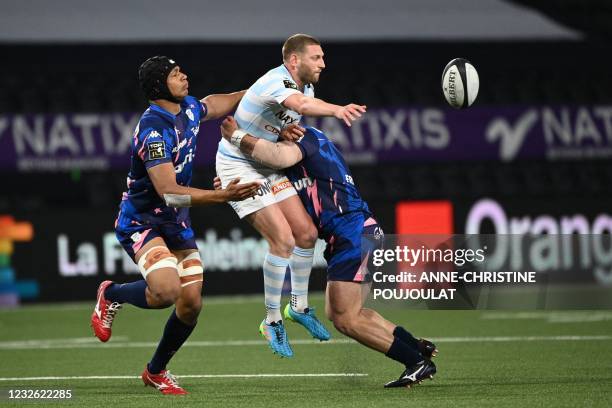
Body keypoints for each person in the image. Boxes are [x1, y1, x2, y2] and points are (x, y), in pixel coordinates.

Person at [217, 117, 438, 388]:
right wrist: (234, 181)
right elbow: (273, 186)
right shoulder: (291, 166)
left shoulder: (305, 138)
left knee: (347, 319)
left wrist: (237, 136)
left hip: (352, 233)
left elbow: (274, 156)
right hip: (349, 235)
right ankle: (415, 347)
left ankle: (416, 363)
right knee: (341, 313)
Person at [90, 56, 260, 395]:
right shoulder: (153, 130)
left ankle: (156, 371)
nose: (184, 77)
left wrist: (254, 92)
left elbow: (214, 104)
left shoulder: (189, 109)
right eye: (175, 74)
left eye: (181, 71)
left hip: (176, 223)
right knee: (167, 292)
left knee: (191, 303)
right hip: (143, 219)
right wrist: (223, 196)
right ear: (158, 86)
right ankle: (111, 294)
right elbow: (169, 193)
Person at [215, 33, 367, 357]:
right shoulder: (276, 81)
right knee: (282, 240)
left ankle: (297, 307)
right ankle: (271, 320)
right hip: (237, 164)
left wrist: (282, 131)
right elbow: (300, 105)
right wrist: (338, 110)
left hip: (265, 162)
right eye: (317, 58)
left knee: (307, 234)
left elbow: (284, 117)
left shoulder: (307, 86)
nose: (323, 64)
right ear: (294, 60)